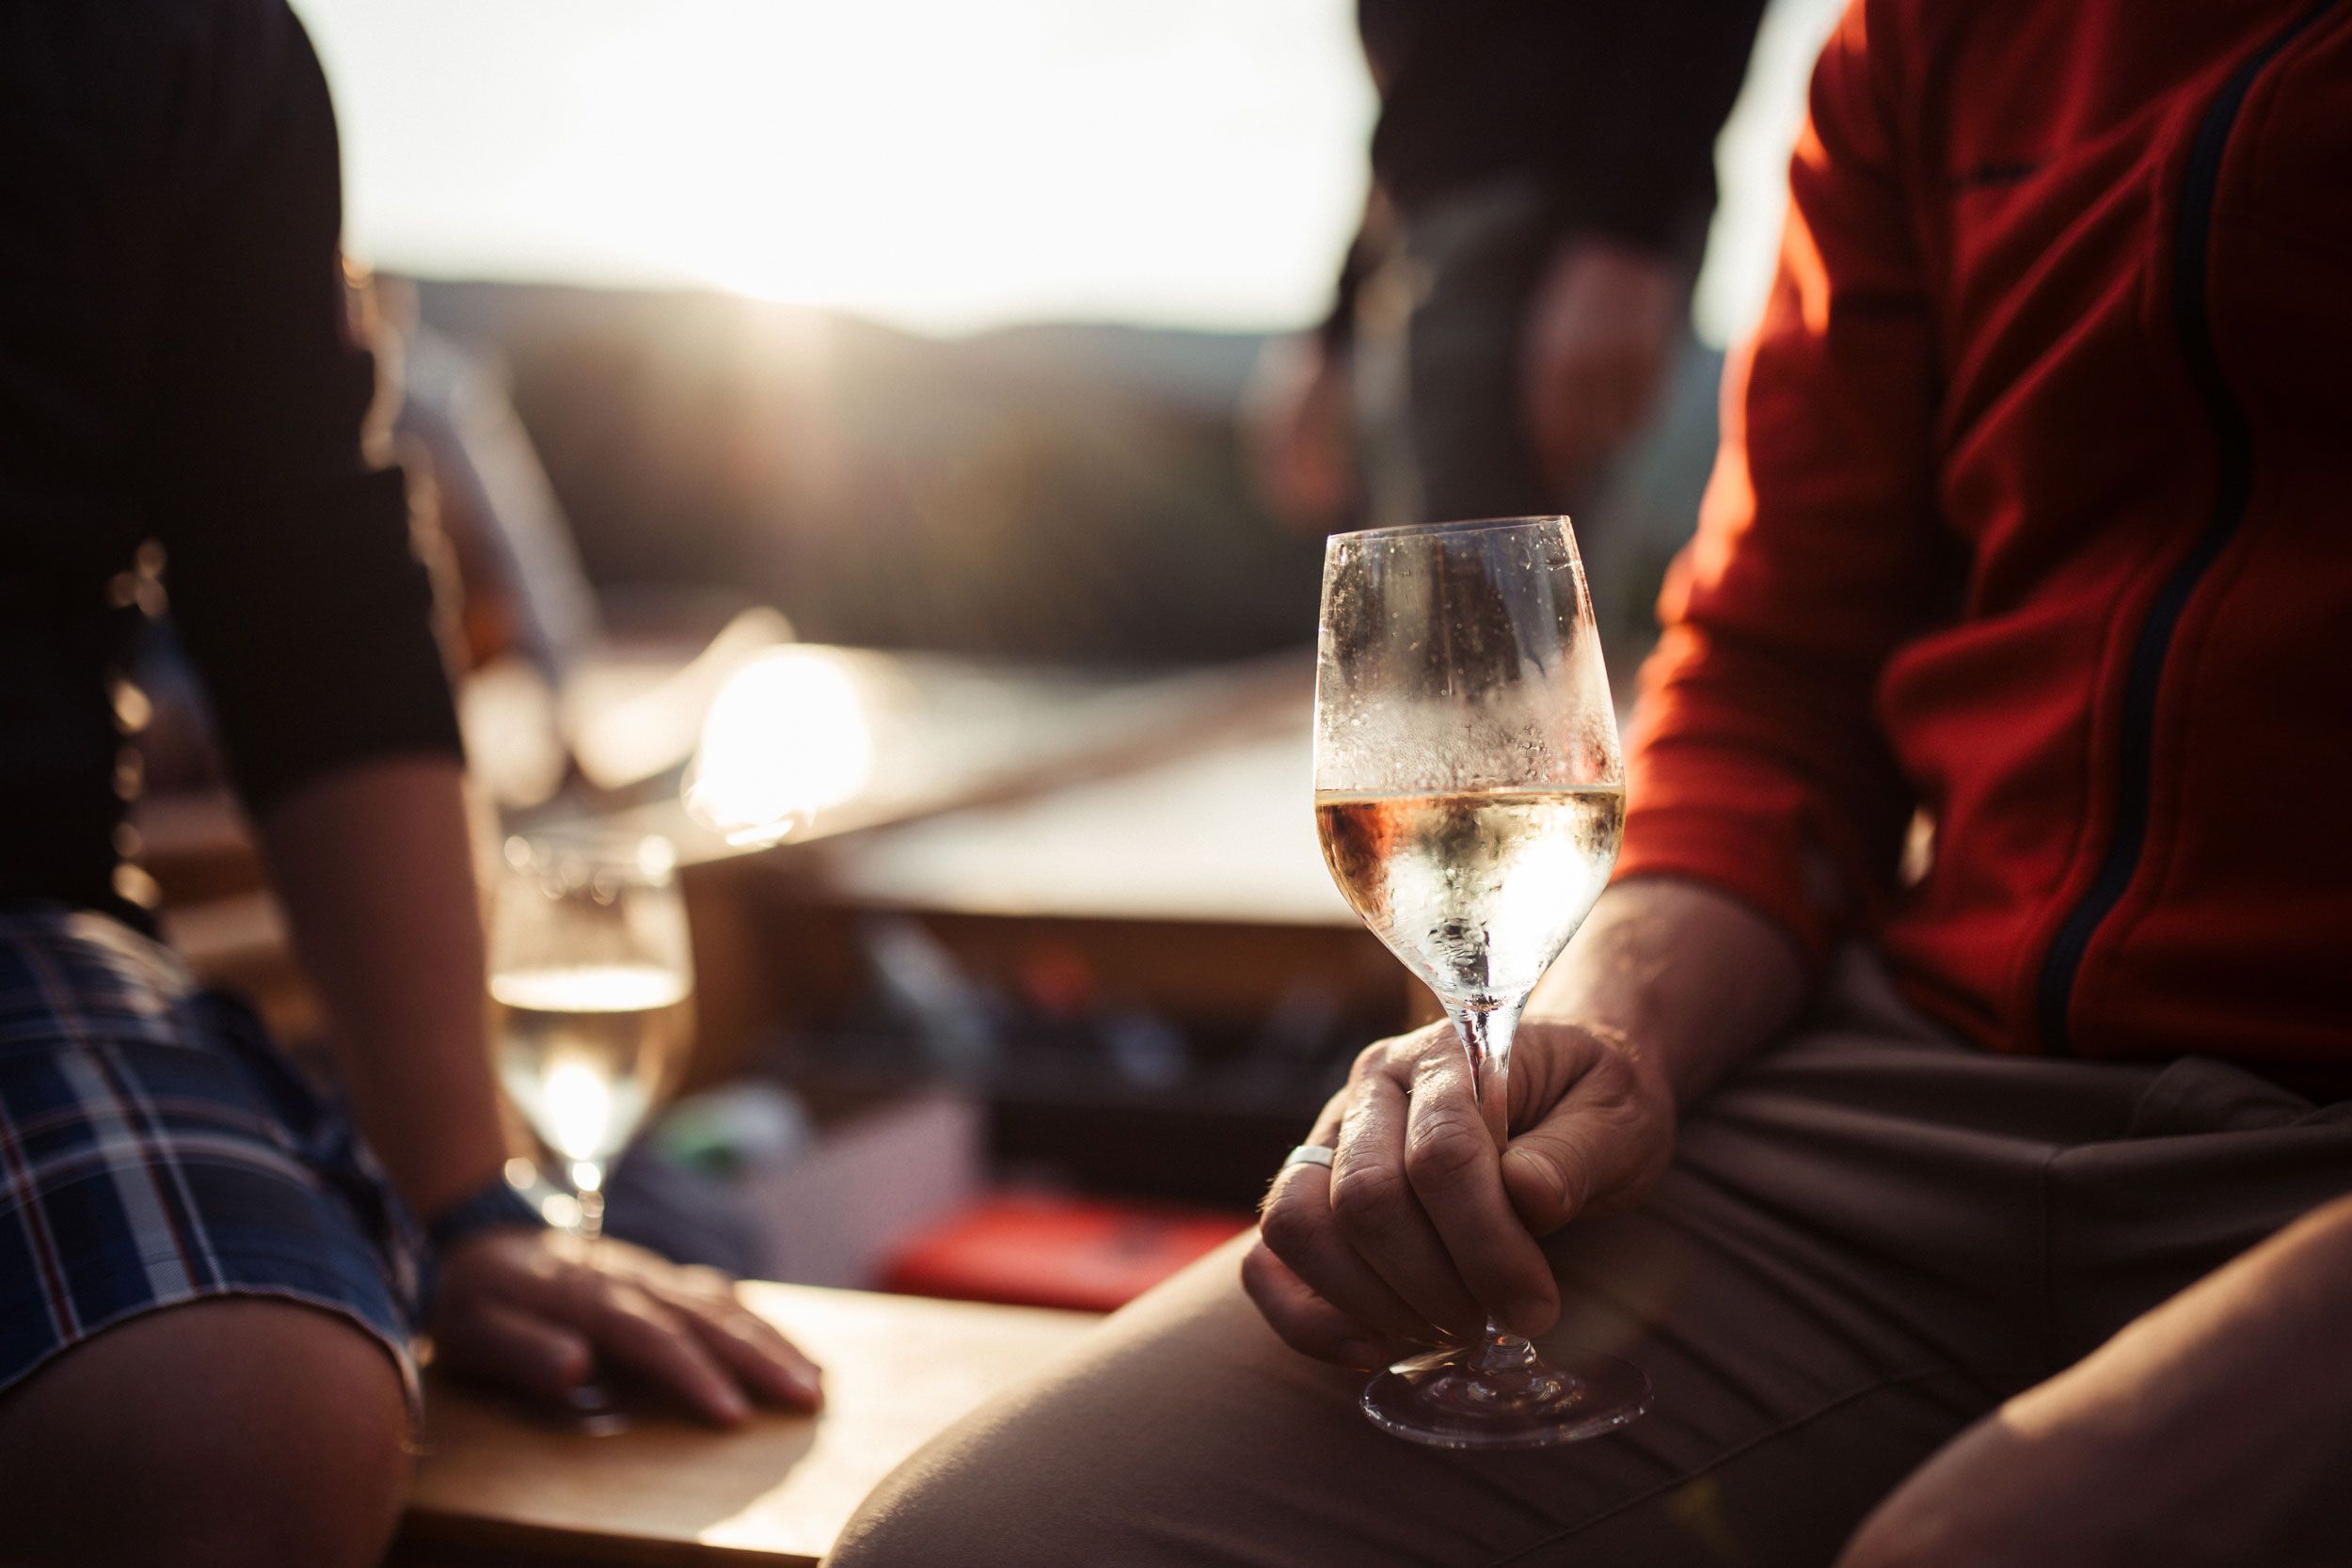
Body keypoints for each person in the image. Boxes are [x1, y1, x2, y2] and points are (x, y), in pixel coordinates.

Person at [827, 1, 2352, 1562]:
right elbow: (1773, 678)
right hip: (1905, 1101)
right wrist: (1600, 1022)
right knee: (977, 1542)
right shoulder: (1930, 39)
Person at [0, 6, 818, 1565]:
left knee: (244, 1416)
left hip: (18, 900)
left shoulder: (192, 49)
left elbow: (308, 593)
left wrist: (463, 1201)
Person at [1247, 0, 1768, 536]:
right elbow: (1409, 110)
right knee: (1425, 575)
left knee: (1488, 576)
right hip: (1423, 244)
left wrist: (1629, 227)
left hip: (1545, 226)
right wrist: (1334, 331)